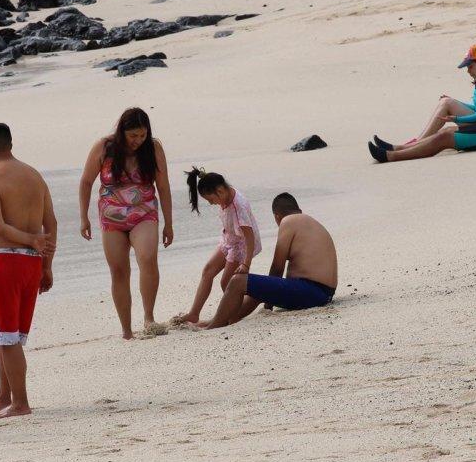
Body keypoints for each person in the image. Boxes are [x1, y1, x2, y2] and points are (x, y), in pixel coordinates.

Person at [0, 123, 57, 419]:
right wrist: (46, 264)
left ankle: (20, 402)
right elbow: (52, 224)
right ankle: (3, 396)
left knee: (7, 337)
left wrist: (30, 240)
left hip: (4, 261)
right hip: (31, 263)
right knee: (7, 334)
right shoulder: (34, 176)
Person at [77, 108, 174, 340]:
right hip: (112, 218)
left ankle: (149, 318)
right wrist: (84, 217)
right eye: (133, 136)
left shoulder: (153, 148)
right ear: (122, 131)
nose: (137, 141)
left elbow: (163, 186)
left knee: (148, 257)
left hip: (144, 212)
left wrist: (169, 223)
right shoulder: (104, 147)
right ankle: (126, 330)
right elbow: (86, 181)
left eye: (141, 135)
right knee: (119, 271)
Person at [198, 193, 338, 329]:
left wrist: (268, 305)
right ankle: (228, 319)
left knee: (238, 281)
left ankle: (214, 326)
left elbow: (277, 267)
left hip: (310, 292)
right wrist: (267, 294)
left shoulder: (287, 221)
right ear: (299, 210)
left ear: (277, 217)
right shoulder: (311, 223)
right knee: (260, 288)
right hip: (325, 293)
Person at [172, 168, 261, 325]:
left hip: (242, 245)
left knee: (227, 281)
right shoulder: (225, 196)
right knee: (208, 270)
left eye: (211, 200)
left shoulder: (237, 206)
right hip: (229, 238)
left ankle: (233, 316)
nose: (211, 203)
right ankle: (194, 314)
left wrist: (246, 263)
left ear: (220, 190)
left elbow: (249, 235)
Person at [371, 44, 476, 152]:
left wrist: (456, 117)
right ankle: (413, 144)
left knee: (447, 102)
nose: (468, 71)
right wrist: (455, 102)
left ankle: (410, 146)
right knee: (446, 101)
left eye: (470, 66)